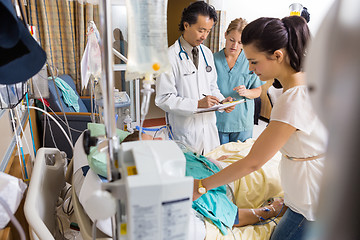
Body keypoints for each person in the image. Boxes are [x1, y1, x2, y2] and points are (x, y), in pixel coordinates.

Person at [193, 16, 328, 240]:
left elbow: (253, 163)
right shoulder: (308, 82)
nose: (250, 68)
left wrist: (200, 187)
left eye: (254, 62)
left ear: (277, 56)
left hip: (309, 202)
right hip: (311, 192)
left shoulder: (293, 99)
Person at [122, 130, 287, 234]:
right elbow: (235, 217)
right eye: (153, 144)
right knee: (280, 161)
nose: (161, 140)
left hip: (228, 164)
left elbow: (198, 158)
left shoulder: (175, 155)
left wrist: (211, 160)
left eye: (154, 137)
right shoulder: (185, 185)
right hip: (242, 181)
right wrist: (272, 210)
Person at [155, 1, 234, 155]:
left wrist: (222, 101)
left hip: (209, 129)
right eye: (201, 30)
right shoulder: (168, 57)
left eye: (208, 31)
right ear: (186, 25)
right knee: (188, 174)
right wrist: (196, 104)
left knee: (210, 170)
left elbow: (212, 87)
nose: (204, 36)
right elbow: (163, 98)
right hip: (185, 131)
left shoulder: (207, 53)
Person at [214, 18, 264, 144]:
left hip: (242, 122)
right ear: (225, 35)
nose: (234, 46)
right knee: (217, 159)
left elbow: (258, 91)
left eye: (240, 42)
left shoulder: (250, 61)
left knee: (239, 158)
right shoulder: (212, 60)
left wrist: (246, 92)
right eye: (231, 40)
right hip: (218, 120)